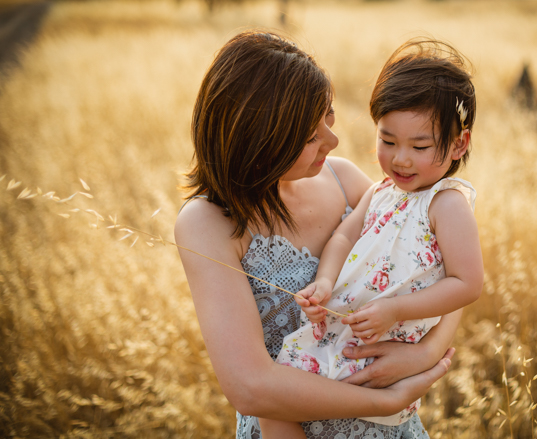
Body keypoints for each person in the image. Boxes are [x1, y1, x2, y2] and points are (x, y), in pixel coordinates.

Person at [175, 30, 465, 439]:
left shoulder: (343, 178)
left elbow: (446, 267)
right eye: (309, 137)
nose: (333, 140)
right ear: (260, 141)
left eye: (328, 117)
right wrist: (385, 400)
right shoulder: (208, 222)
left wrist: (426, 353)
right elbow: (251, 388)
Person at [258, 39, 484, 439]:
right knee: (275, 402)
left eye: (420, 146)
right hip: (342, 332)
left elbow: (467, 283)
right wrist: (324, 282)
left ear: (458, 144)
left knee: (324, 405)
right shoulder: (381, 191)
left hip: (385, 344)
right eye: (387, 140)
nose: (400, 159)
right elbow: (344, 236)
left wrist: (396, 310)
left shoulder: (445, 204)